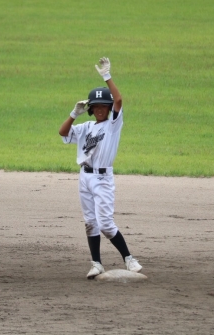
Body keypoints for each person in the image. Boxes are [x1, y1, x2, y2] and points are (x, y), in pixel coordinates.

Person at [59, 57, 142, 279]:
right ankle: (96, 263)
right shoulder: (86, 127)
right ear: (91, 109)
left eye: (103, 106)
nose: (99, 110)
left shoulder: (113, 125)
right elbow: (63, 133)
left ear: (108, 108)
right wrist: (73, 114)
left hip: (103, 179)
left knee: (105, 223)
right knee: (90, 222)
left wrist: (107, 76)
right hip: (85, 178)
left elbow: (119, 100)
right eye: (95, 106)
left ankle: (129, 259)